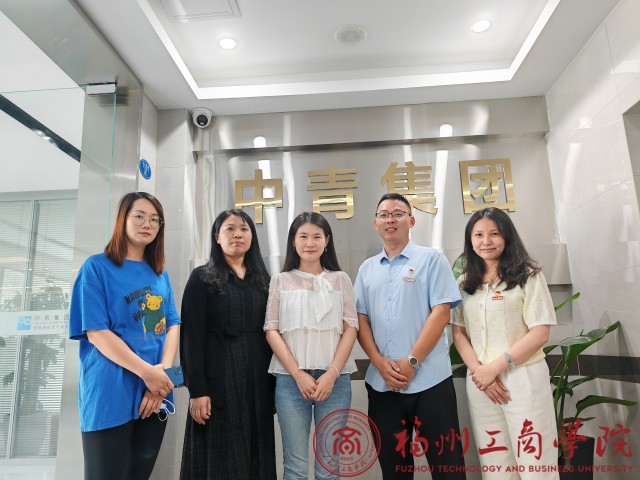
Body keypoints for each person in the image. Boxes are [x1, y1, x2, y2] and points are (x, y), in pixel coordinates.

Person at [354, 193, 467, 480]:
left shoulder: (431, 259)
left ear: (411, 221)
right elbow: (360, 319)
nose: (390, 219)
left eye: (398, 213)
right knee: (394, 470)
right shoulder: (367, 269)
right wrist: (378, 362)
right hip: (383, 386)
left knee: (448, 467)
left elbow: (441, 312)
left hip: (431, 382)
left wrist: (413, 361)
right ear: (375, 223)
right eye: (383, 215)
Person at [69, 192, 180, 480]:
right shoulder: (96, 267)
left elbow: (171, 325)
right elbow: (97, 333)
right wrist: (148, 374)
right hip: (110, 392)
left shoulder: (160, 274)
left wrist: (161, 379)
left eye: (155, 220)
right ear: (123, 219)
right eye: (139, 216)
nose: (147, 224)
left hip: (155, 393)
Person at [451, 207, 558, 480]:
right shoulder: (465, 283)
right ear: (470, 240)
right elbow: (459, 333)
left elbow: (540, 332)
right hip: (481, 383)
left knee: (535, 463)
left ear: (507, 236)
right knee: (495, 465)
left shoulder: (528, 275)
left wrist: (495, 368)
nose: (486, 241)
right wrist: (480, 372)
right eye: (478, 235)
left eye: (494, 234)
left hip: (522, 377)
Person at [179, 209, 276, 480]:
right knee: (221, 458)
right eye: (230, 229)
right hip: (218, 382)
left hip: (257, 381)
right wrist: (197, 390)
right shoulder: (202, 277)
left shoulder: (263, 281)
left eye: (244, 229)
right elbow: (191, 338)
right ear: (217, 237)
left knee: (257, 455)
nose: (238, 234)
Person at [265, 212, 358, 480]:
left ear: (327, 241)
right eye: (303, 236)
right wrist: (297, 374)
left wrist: (332, 373)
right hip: (291, 382)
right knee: (295, 467)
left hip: (335, 382)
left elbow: (351, 327)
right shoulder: (281, 280)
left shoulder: (340, 279)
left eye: (317, 236)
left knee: (330, 467)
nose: (310, 243)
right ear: (293, 242)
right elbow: (271, 330)